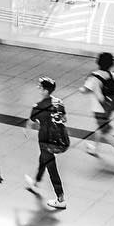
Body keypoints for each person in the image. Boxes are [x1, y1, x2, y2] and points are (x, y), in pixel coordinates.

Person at [24, 76, 68, 210]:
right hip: (62, 140)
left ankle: (60, 198)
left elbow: (30, 123)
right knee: (43, 159)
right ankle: (36, 182)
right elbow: (64, 119)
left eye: (40, 87)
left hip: (46, 141)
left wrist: (27, 131)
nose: (39, 89)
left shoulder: (38, 107)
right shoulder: (59, 102)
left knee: (51, 167)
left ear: (45, 91)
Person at [80, 53, 114, 167]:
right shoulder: (113, 75)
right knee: (101, 128)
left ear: (98, 62)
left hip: (99, 109)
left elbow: (85, 90)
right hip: (110, 106)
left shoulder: (93, 76)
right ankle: (95, 149)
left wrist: (82, 89)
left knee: (105, 132)